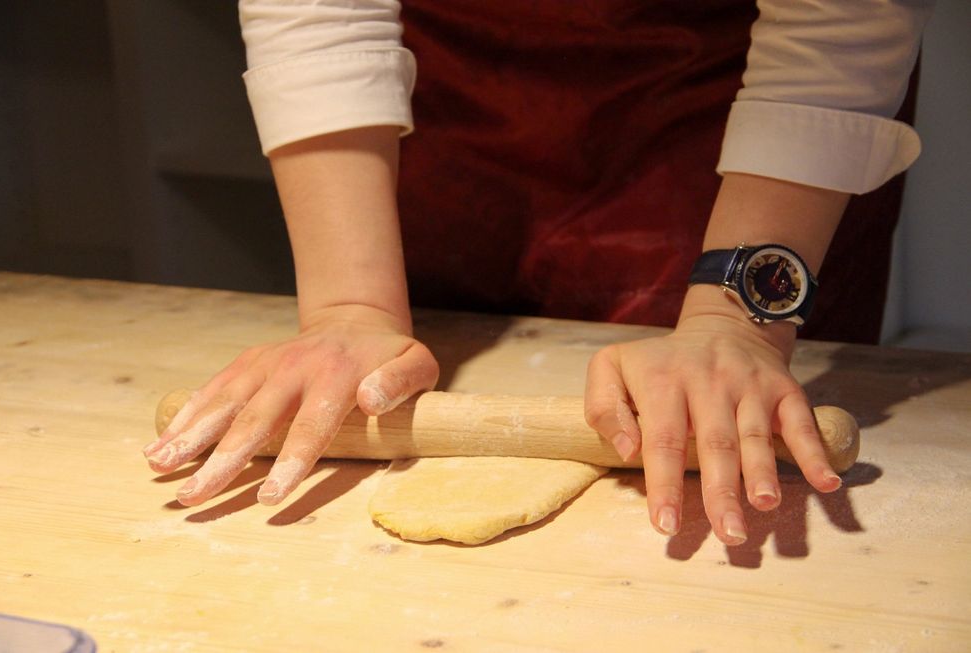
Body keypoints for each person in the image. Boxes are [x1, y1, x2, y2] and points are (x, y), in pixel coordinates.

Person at [142, 0, 933, 547]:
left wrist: (736, 321)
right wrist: (349, 309)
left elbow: (842, 19)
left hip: (729, 105)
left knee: (733, 407)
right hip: (454, 91)